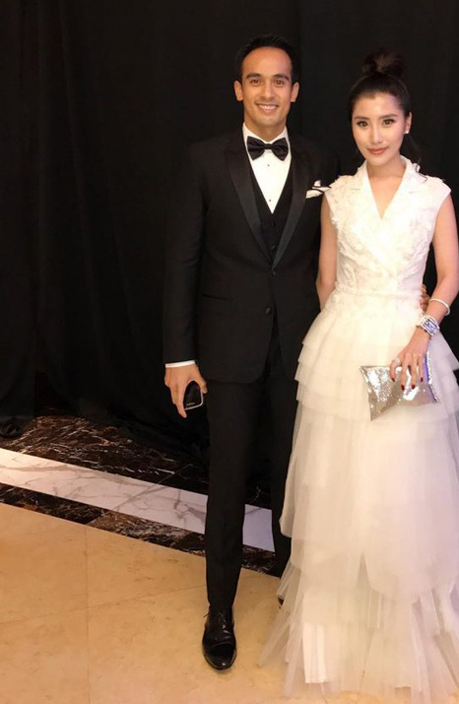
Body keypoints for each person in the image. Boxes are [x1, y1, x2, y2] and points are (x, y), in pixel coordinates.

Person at [261, 52, 459, 702]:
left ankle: (407, 632)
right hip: (344, 348)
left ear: (407, 123)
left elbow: (449, 276)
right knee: (342, 486)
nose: (374, 135)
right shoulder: (337, 195)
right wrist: (345, 338)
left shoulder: (433, 195)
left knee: (402, 485)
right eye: (362, 123)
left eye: (385, 121)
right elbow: (326, 280)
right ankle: (339, 633)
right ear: (350, 127)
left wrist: (420, 331)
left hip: (408, 349)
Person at [162, 35, 337, 671]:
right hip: (225, 351)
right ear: (239, 90)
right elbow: (181, 263)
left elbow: (336, 256)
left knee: (296, 479)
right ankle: (220, 609)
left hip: (300, 349)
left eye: (280, 80)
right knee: (228, 481)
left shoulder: (321, 160)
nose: (268, 92)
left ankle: (296, 600)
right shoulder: (202, 160)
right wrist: (178, 356)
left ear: (295, 91)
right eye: (256, 80)